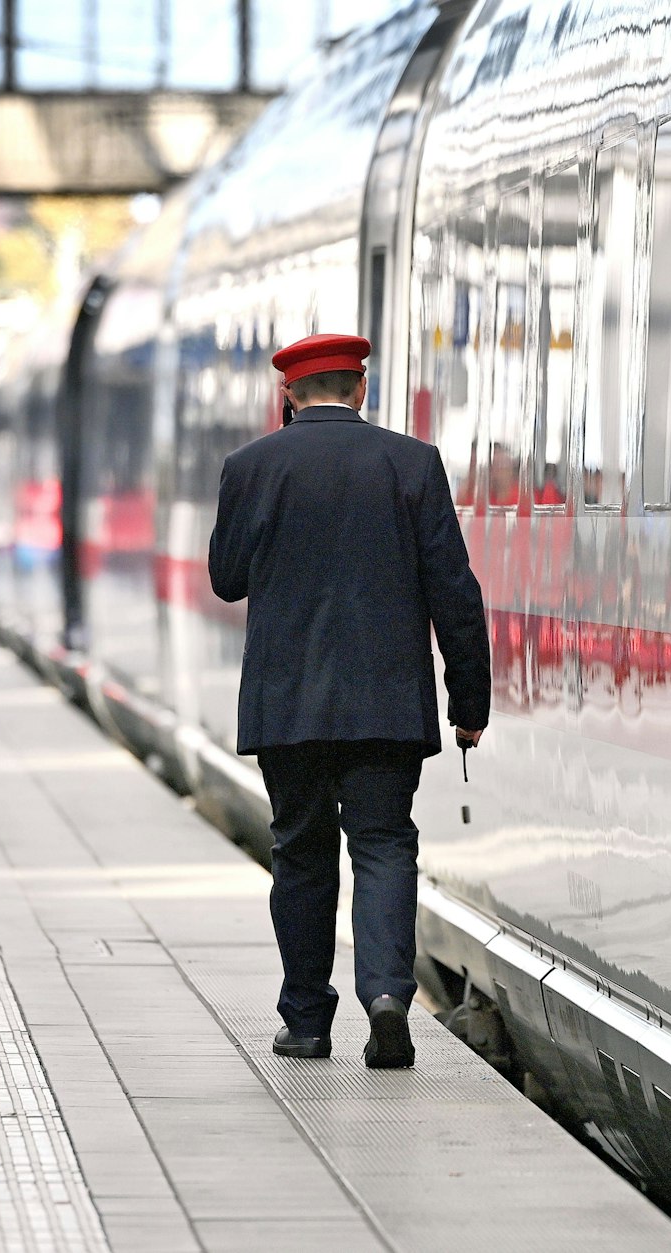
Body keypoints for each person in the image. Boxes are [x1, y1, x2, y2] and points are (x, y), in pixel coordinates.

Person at [208, 333, 490, 1068]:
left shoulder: (250, 467)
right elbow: (455, 592)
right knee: (384, 843)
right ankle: (389, 994)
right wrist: (470, 700)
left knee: (300, 852)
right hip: (388, 706)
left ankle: (305, 1021)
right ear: (360, 389)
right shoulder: (413, 463)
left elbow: (227, 578)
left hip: (286, 708)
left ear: (287, 398)